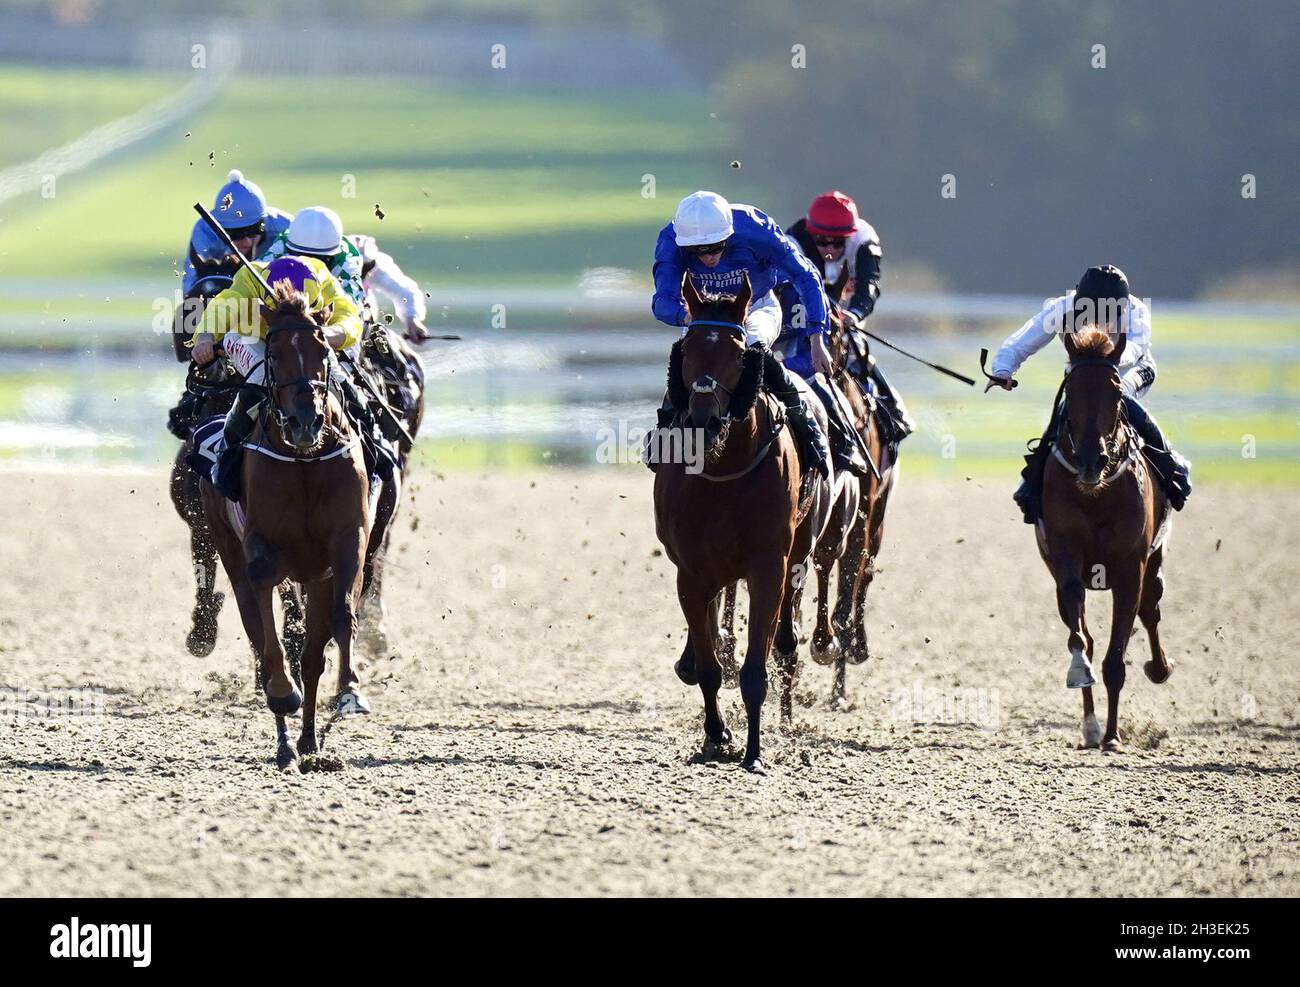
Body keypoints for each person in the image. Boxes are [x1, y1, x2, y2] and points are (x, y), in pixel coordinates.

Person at [985, 264, 1192, 523]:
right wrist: (1003, 369)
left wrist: (1106, 358)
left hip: (1132, 369)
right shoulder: (1062, 308)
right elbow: (1023, 340)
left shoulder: (1136, 310)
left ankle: (1172, 465)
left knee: (1121, 398)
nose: (1100, 317)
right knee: (1067, 408)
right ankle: (1032, 479)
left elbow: (1136, 348)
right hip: (1085, 371)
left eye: (1109, 311)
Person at [651, 190, 834, 478]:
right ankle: (665, 431)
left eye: (715, 247)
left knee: (754, 346)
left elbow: (806, 275)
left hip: (757, 306)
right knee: (692, 351)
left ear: (729, 234)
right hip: (706, 314)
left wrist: (816, 337)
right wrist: (691, 317)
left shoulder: (756, 229)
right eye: (698, 251)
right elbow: (662, 302)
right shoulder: (670, 240)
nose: (708, 257)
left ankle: (808, 431)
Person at [190, 256, 366, 500]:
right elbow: (224, 307)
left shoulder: (322, 277)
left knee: (339, 379)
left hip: (307, 337)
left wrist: (328, 333)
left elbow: (348, 315)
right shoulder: (251, 278)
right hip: (252, 336)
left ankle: (374, 441)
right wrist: (205, 337)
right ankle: (225, 455)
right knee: (263, 375)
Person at [263, 206, 428, 422]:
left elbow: (350, 313)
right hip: (291, 322)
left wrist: (411, 317)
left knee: (364, 352)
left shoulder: (349, 261)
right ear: (290, 249)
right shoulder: (276, 251)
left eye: (321, 260)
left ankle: (372, 416)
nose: (312, 264)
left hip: (343, 321)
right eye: (304, 257)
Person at [783, 190, 914, 449]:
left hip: (846, 310)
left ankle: (893, 413)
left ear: (850, 236)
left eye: (838, 243)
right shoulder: (794, 240)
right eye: (822, 241)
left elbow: (869, 288)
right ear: (811, 233)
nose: (830, 249)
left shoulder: (865, 241)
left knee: (855, 349)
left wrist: (854, 314)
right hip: (805, 310)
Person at [180, 170, 291, 296]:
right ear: (220, 228)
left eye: (254, 230)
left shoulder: (286, 226)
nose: (247, 242)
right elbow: (190, 283)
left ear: (264, 220)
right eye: (236, 234)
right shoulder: (205, 231)